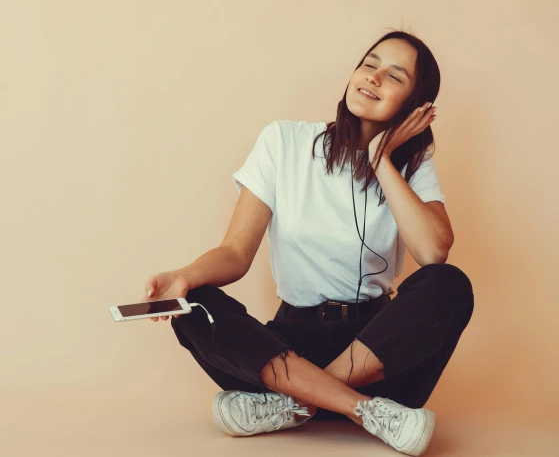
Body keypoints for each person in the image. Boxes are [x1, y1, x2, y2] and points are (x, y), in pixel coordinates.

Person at [139, 30, 474, 457]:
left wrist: (380, 159)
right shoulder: (285, 141)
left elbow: (433, 253)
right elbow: (235, 254)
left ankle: (295, 403)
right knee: (193, 304)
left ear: (414, 104)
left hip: (377, 353)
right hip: (287, 350)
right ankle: (362, 411)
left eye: (394, 76)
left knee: (449, 284)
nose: (372, 78)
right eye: (369, 64)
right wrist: (182, 277)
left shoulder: (412, 165)